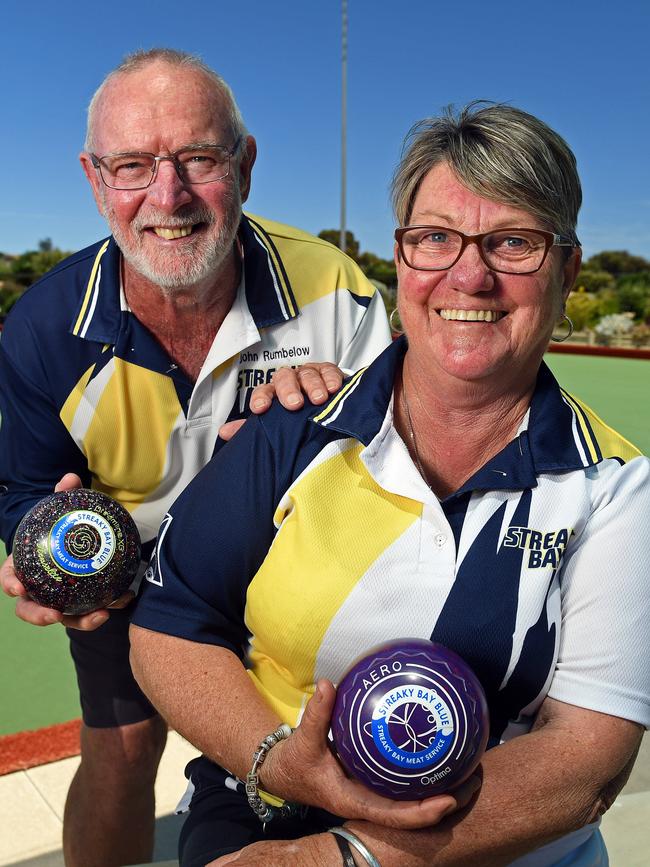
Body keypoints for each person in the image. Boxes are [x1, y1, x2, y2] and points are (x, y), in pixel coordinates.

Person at [129, 102, 650, 867]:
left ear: (567, 270)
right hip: (264, 820)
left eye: (513, 241)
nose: (468, 274)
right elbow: (170, 623)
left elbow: (586, 759)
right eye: (435, 237)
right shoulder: (292, 427)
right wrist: (276, 758)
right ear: (401, 259)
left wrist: (341, 857)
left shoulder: (617, 490)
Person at [0, 49, 391, 867]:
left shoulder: (337, 293)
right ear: (94, 179)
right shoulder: (42, 328)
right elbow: (27, 491)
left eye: (198, 159)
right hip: (128, 572)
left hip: (283, 565)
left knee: (330, 751)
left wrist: (306, 447)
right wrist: (33, 556)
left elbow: (386, 479)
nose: (167, 196)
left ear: (244, 166)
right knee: (121, 746)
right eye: (133, 165)